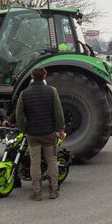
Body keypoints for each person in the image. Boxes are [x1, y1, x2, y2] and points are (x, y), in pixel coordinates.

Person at [15, 67, 66, 200]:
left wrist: (24, 129)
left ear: (31, 76)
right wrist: (61, 129)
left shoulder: (24, 93)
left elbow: (19, 116)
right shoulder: (52, 91)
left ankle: (37, 193)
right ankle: (54, 190)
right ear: (44, 77)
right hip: (49, 133)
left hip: (33, 134)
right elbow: (58, 112)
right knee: (52, 161)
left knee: (35, 163)